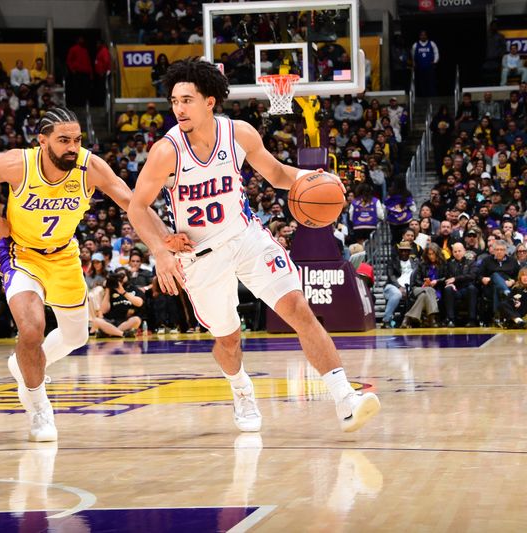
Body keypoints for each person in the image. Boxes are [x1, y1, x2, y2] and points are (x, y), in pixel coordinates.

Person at [127, 57, 380, 434]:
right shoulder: (168, 151)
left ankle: (345, 398)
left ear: (209, 101)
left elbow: (277, 174)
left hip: (246, 237)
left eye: (187, 100)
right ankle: (241, 388)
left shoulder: (239, 133)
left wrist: (313, 177)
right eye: (175, 101)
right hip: (200, 255)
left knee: (298, 308)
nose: (178, 108)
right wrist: (162, 248)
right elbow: (137, 206)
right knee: (228, 340)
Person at [0, 107, 177, 442]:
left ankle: (20, 365)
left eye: (77, 139)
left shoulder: (89, 167)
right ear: (42, 141)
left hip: (64, 255)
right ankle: (39, 407)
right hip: (20, 254)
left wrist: (163, 243)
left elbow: (132, 202)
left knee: (77, 337)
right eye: (63, 140)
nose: (72, 147)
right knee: (32, 329)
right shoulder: (19, 163)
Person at [402, 243, 446, 328]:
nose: (431, 256)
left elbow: (446, 277)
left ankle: (407, 318)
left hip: (435, 289)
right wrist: (424, 284)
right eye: (429, 254)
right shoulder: (422, 264)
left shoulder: (443, 264)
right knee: (429, 290)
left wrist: (436, 281)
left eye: (433, 254)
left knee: (424, 296)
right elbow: (416, 280)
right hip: (418, 288)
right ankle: (432, 318)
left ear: (438, 254)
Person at [91, 270, 145, 338]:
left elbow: (139, 303)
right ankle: (122, 334)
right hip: (110, 321)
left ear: (127, 277)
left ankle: (110, 332)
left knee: (136, 320)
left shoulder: (133, 289)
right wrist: (108, 289)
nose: (120, 278)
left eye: (122, 276)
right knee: (96, 320)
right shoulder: (110, 290)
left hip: (126, 321)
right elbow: (104, 310)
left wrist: (123, 292)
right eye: (117, 276)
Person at [381, 241, 419, 328]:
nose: (404, 253)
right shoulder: (392, 261)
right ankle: (386, 320)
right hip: (392, 286)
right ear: (399, 251)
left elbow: (417, 276)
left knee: (417, 293)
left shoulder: (415, 262)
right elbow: (391, 276)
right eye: (402, 251)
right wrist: (399, 287)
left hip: (410, 287)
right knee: (397, 294)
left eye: (406, 251)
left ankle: (409, 321)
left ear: (410, 252)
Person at [442, 242, 479, 327]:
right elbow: (446, 277)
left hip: (468, 288)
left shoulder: (471, 262)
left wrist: (455, 279)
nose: (457, 253)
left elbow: (472, 276)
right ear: (452, 252)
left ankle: (472, 320)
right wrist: (450, 283)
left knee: (472, 289)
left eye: (459, 251)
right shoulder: (449, 263)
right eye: (455, 251)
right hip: (455, 289)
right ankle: (451, 320)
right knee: (448, 289)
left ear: (464, 251)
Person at [411, 30, 438, 97]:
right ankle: (423, 96)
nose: (423, 36)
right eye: (421, 35)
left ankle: (432, 96)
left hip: (430, 67)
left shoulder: (431, 43)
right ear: (419, 36)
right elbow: (412, 55)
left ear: (426, 36)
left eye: (424, 35)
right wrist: (414, 63)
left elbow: (436, 52)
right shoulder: (415, 45)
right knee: (422, 83)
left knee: (431, 83)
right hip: (420, 68)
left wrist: (435, 61)